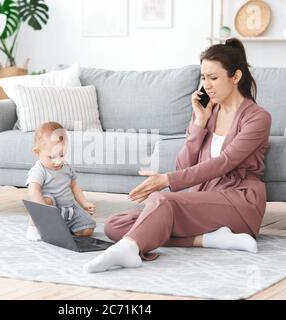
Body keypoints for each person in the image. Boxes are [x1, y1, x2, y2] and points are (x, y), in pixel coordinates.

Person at [83, 38, 272, 273]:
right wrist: (199, 123)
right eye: (203, 78)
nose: (206, 85)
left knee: (161, 201)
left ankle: (129, 249)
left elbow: (224, 163)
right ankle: (209, 239)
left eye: (213, 78)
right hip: (204, 200)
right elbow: (183, 163)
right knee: (115, 225)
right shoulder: (207, 113)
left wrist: (166, 180)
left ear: (235, 77)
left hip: (239, 202)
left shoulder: (258, 118)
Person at [25, 122, 97, 241]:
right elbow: (34, 190)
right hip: (50, 211)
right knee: (45, 200)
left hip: (69, 210)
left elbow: (74, 186)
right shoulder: (39, 170)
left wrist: (84, 203)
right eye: (52, 157)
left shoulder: (66, 167)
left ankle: (64, 228)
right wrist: (42, 208)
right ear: (37, 152)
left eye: (61, 155)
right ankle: (33, 228)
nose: (58, 161)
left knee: (88, 229)